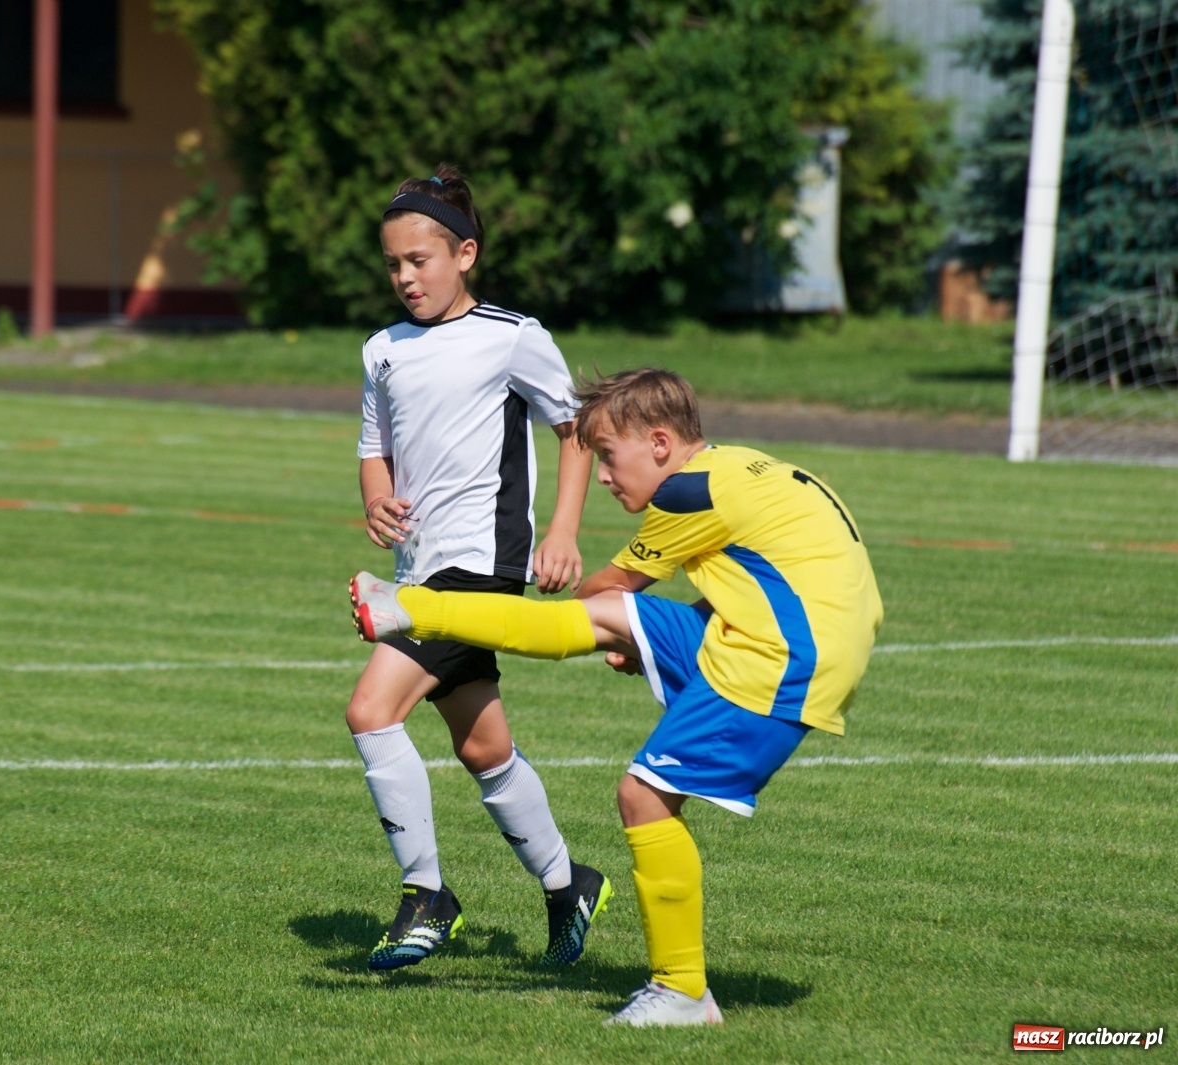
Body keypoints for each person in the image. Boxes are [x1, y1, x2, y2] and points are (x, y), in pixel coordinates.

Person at [350, 367, 883, 1023]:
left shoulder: (689, 492)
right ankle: (412, 610)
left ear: (660, 442)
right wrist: (640, 635)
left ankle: (682, 991)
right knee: (612, 622)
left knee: (643, 794)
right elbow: (759, 577)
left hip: (784, 658)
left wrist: (589, 601)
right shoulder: (737, 468)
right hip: (790, 632)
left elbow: (602, 588)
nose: (602, 475)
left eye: (608, 454)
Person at [350, 164, 611, 971]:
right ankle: (569, 883)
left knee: (371, 710)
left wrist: (562, 530)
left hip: (480, 567)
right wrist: (377, 497)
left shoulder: (513, 335)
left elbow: (574, 428)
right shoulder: (382, 351)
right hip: (420, 566)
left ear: (465, 253)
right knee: (482, 746)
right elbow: (373, 449)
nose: (405, 278)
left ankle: (426, 893)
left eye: (419, 261)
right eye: (394, 264)